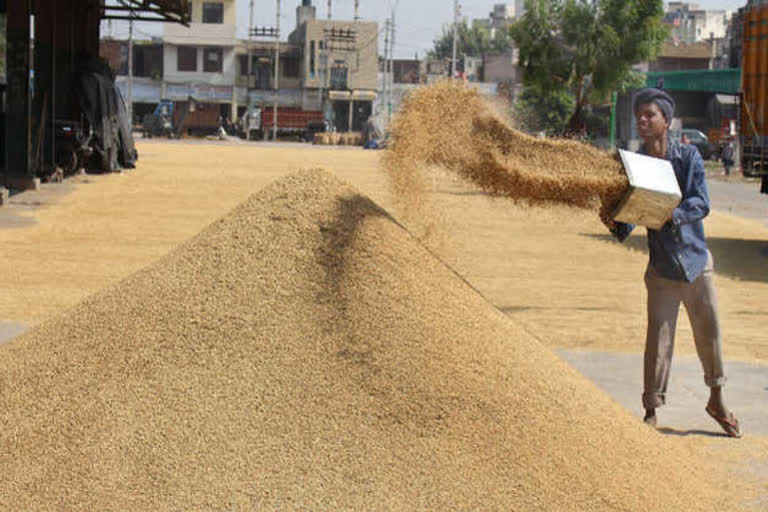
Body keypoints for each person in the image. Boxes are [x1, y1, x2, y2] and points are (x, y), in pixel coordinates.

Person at [600, 88, 741, 437]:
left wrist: (671, 214)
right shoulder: (635, 165)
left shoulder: (687, 157)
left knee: (710, 336)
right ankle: (651, 408)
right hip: (661, 269)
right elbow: (633, 215)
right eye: (639, 115)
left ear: (666, 120)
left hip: (696, 264)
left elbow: (701, 202)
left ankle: (717, 399)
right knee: (658, 342)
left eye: (650, 115)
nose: (643, 120)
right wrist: (615, 221)